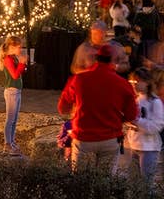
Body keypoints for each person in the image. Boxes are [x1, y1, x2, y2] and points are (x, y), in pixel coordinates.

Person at [57, 44, 138, 174]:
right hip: (110, 139)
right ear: (114, 61)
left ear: (97, 59)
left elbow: (62, 108)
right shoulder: (123, 84)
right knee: (104, 182)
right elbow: (131, 115)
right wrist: (117, 118)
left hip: (83, 139)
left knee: (81, 181)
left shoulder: (78, 79)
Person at [122, 67, 163, 188]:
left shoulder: (155, 102)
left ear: (147, 82)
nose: (134, 85)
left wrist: (137, 121)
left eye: (137, 81)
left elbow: (157, 125)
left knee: (146, 184)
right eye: (132, 82)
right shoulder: (136, 99)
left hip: (148, 148)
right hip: (133, 145)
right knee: (133, 182)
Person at [0, 35, 27, 156]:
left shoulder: (14, 57)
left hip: (17, 90)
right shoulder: (8, 59)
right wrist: (21, 63)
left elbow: (20, 72)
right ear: (12, 46)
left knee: (14, 119)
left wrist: (22, 64)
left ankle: (12, 141)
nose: (21, 49)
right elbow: (14, 75)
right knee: (10, 119)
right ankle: (7, 144)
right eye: (19, 47)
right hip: (11, 91)